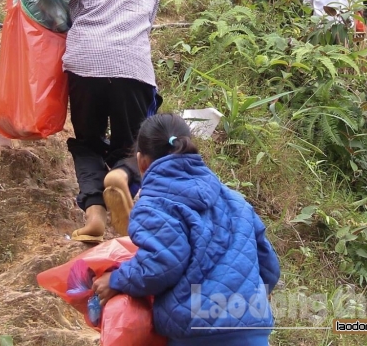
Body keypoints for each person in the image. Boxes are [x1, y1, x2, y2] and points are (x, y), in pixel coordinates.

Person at [13, 0, 160, 242]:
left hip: (86, 67)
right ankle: (122, 175)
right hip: (133, 69)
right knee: (137, 145)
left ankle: (94, 216)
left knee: (88, 144)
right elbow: (148, 20)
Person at [93, 114, 280, 346]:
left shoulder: (154, 204)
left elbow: (161, 264)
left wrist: (116, 279)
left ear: (141, 161)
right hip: (253, 331)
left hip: (197, 333)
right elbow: (269, 266)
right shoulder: (235, 200)